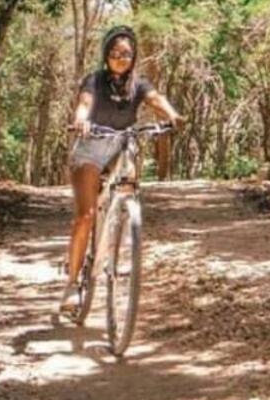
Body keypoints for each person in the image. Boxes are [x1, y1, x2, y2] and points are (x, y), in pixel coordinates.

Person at [61, 25, 180, 315]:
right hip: (90, 148)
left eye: (126, 54)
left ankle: (122, 221)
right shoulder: (95, 80)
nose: (120, 58)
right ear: (106, 55)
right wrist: (81, 120)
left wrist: (172, 114)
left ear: (134, 56)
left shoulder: (138, 84)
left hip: (120, 147)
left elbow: (155, 99)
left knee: (129, 175)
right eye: (115, 53)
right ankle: (73, 286)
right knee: (85, 217)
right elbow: (84, 103)